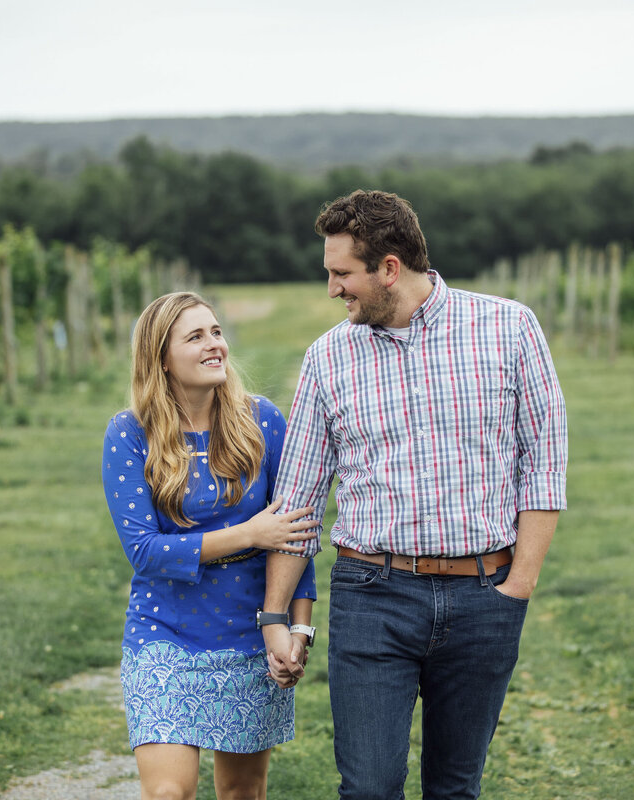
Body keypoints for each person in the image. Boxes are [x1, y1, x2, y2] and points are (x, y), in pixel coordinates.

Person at [260, 190, 568, 800]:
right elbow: (299, 499)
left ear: (390, 269)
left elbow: (545, 462)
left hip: (485, 596)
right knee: (370, 789)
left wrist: (519, 585)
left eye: (342, 273)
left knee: (455, 789)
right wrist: (274, 615)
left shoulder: (510, 329)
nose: (332, 289)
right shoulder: (328, 358)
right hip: (372, 596)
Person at [102, 291, 320, 800]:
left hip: (249, 636)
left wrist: (298, 630)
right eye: (195, 336)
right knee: (167, 793)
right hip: (165, 634)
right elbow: (144, 551)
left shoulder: (262, 422)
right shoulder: (130, 434)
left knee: (243, 792)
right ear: (161, 357)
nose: (214, 344)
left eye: (216, 332)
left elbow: (296, 539)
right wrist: (250, 533)